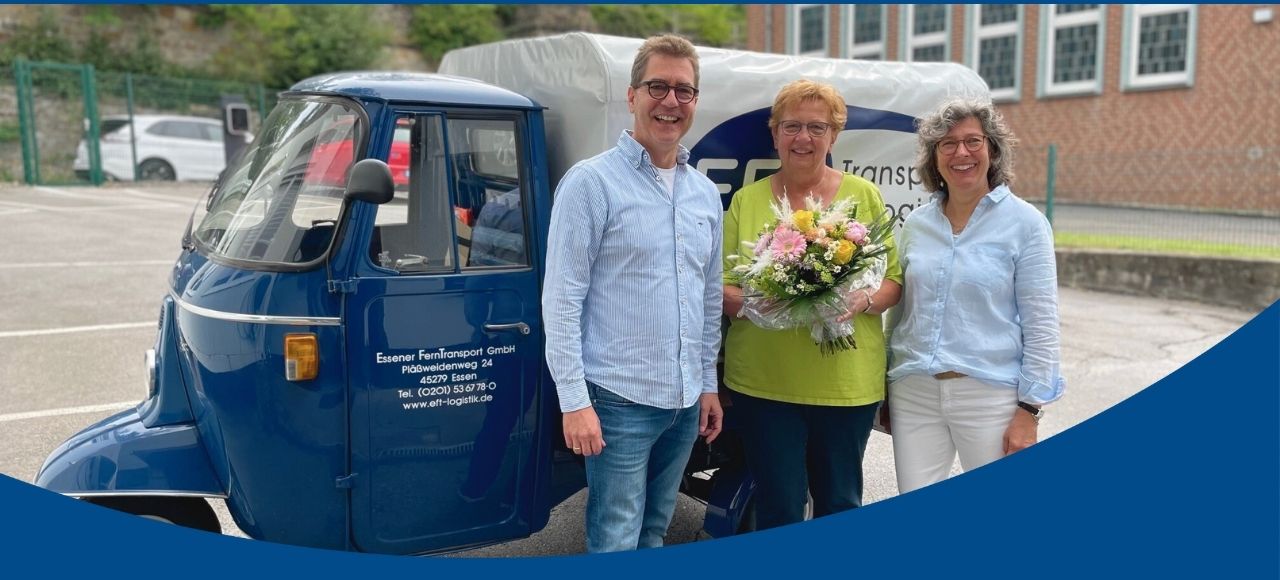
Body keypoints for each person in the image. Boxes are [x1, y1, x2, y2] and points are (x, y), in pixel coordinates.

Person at [541, 34, 724, 553]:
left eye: (684, 91)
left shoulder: (703, 192)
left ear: (694, 100)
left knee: (655, 529)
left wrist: (707, 385)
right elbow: (561, 299)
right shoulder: (591, 183)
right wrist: (574, 402)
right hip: (618, 399)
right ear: (632, 95)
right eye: (657, 87)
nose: (671, 102)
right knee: (616, 534)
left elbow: (708, 300)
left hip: (684, 402)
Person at [721, 80, 902, 530]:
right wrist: (763, 304)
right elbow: (718, 287)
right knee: (777, 509)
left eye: (817, 127)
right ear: (775, 133)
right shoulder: (747, 200)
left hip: (845, 386)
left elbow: (893, 280)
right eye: (792, 126)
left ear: (834, 135)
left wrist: (861, 299)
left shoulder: (863, 196)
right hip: (765, 386)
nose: (803, 138)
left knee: (840, 504)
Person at [886, 97, 1066, 494]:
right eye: (947, 144)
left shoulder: (1027, 224)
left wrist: (1029, 411)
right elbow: (900, 312)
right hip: (914, 391)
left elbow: (1042, 324)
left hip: (990, 396)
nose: (961, 153)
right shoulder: (916, 224)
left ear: (992, 149)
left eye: (973, 141)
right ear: (934, 158)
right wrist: (886, 384)